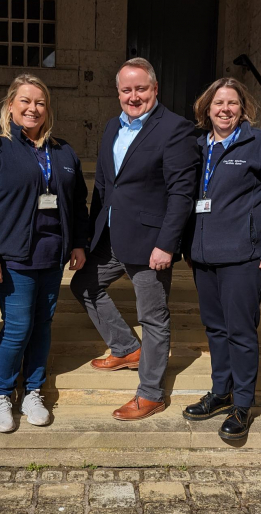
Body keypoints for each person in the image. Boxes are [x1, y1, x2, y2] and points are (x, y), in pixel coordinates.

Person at [70, 58, 200, 421]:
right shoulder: (113, 126)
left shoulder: (175, 129)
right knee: (83, 285)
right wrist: (88, 235)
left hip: (150, 242)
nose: (133, 96)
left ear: (155, 88)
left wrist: (167, 244)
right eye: (126, 90)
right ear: (118, 93)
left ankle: (151, 392)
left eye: (140, 88)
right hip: (110, 235)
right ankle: (127, 348)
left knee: (153, 318)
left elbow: (181, 194)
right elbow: (106, 186)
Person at [0, 74, 88, 433]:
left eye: (40, 103)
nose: (33, 108)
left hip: (52, 255)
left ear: (48, 110)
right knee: (18, 327)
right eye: (25, 101)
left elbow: (78, 202)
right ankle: (3, 394)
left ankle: (33, 390)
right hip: (12, 257)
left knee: (43, 326)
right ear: (10, 106)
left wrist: (78, 242)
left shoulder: (62, 152)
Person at [182, 77, 261, 440]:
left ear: (243, 108)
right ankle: (221, 392)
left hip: (244, 258)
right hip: (203, 257)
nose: (225, 109)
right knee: (215, 329)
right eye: (218, 103)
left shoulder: (260, 144)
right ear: (207, 108)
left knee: (241, 331)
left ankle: (243, 403)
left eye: (232, 103)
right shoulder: (198, 146)